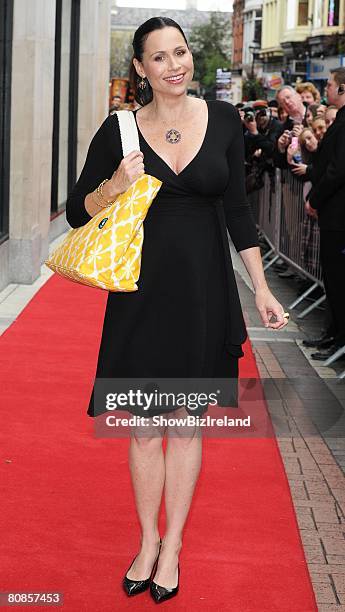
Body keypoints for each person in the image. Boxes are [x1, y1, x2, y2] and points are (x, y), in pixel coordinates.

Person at [65, 16, 288, 603]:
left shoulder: (224, 121)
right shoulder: (120, 130)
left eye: (181, 53)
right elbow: (75, 212)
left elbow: (239, 212)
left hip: (203, 294)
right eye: (159, 57)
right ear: (140, 68)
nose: (174, 66)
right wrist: (114, 184)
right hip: (139, 295)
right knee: (143, 428)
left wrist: (262, 288)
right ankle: (145, 540)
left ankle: (174, 546)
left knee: (185, 426)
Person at [305, 67, 345, 360]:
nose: (327, 89)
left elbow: (338, 170)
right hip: (333, 214)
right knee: (332, 278)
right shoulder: (340, 120)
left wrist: (315, 199)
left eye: (330, 85)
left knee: (339, 279)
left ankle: (339, 340)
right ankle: (332, 333)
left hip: (339, 216)